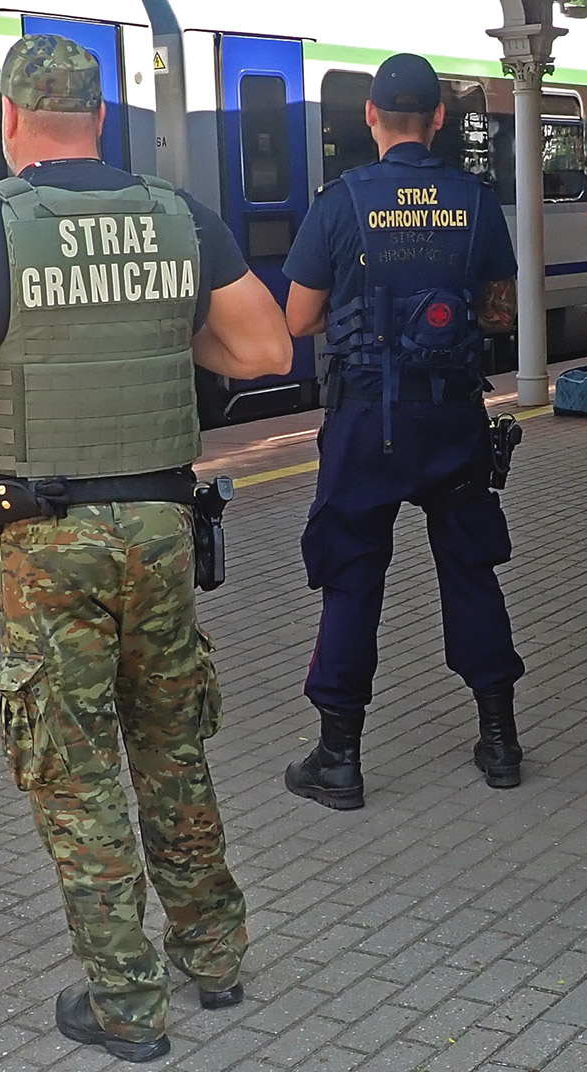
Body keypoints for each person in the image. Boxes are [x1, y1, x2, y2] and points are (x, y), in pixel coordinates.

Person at [0, 35, 292, 1063]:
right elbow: (265, 349)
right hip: (161, 525)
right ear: (102, 119)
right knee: (171, 743)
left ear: (9, 120)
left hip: (43, 540)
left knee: (75, 772)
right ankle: (215, 957)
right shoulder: (179, 218)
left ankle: (125, 1003)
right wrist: (155, 332)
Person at [281, 54, 525, 811]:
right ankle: (499, 741)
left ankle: (340, 759)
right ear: (441, 119)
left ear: (371, 116)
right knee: (470, 566)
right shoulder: (475, 201)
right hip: (452, 416)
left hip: (366, 423)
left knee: (353, 574)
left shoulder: (342, 201)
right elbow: (501, 315)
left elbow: (297, 319)